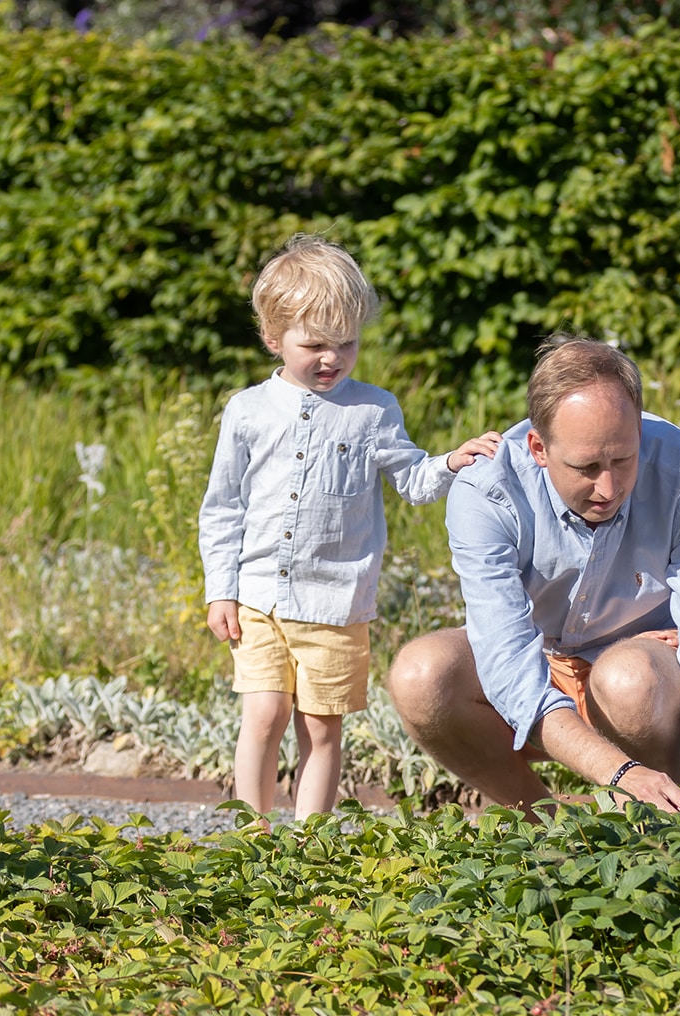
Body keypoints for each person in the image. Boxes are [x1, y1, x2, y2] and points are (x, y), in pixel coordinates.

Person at [386, 337, 680, 814]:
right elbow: (509, 666)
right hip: (542, 654)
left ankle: (663, 823)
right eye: (587, 467)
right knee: (421, 675)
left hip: (648, 671)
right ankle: (547, 820)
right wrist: (620, 772)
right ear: (539, 447)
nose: (610, 486)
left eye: (624, 459)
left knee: (628, 679)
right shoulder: (488, 490)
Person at [198, 233, 496, 817]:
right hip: (258, 597)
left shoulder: (374, 409)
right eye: (315, 345)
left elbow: (412, 480)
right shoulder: (247, 411)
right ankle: (249, 838)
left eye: (347, 344)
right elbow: (222, 507)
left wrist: (452, 463)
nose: (332, 358)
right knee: (263, 715)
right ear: (273, 338)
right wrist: (221, 589)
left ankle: (310, 842)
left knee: (322, 728)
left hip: (335, 604)